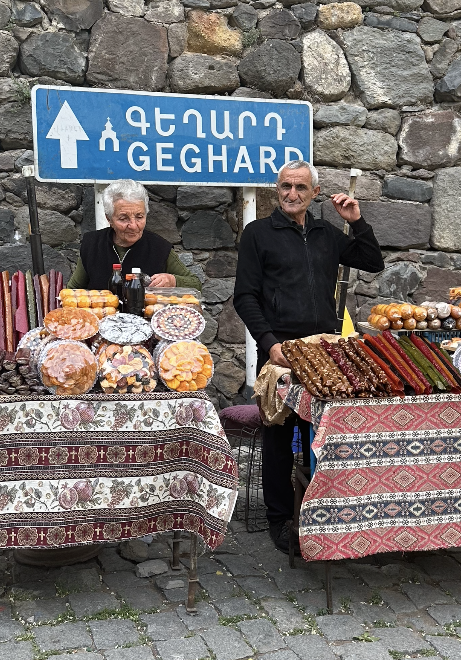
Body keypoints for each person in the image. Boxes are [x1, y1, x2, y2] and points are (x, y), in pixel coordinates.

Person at [234, 160, 385, 553]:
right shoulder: (258, 234)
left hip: (323, 349)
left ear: (314, 193)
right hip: (283, 350)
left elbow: (372, 260)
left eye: (301, 188)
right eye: (285, 186)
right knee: (280, 435)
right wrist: (270, 344)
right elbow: (245, 296)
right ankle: (280, 521)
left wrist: (356, 220)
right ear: (277, 189)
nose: (292, 194)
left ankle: (328, 514)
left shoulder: (325, 232)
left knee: (326, 434)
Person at [68, 179, 201, 291]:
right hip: (100, 319)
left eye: (139, 217)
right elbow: (73, 289)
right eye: (123, 218)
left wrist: (172, 280)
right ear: (109, 219)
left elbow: (196, 283)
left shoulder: (159, 248)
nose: (133, 225)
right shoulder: (92, 244)